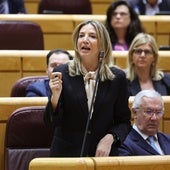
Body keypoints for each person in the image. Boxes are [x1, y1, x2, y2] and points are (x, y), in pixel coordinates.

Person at [43, 20, 131, 157]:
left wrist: (110, 138)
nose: (85, 40)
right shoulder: (62, 72)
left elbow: (123, 122)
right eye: (81, 35)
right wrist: (54, 98)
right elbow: (51, 122)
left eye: (92, 36)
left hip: (101, 156)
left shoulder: (117, 78)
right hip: (67, 156)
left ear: (103, 44)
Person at [119, 89, 170, 155]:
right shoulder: (123, 143)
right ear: (134, 112)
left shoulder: (168, 140)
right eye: (148, 112)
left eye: (158, 112)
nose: (154, 118)